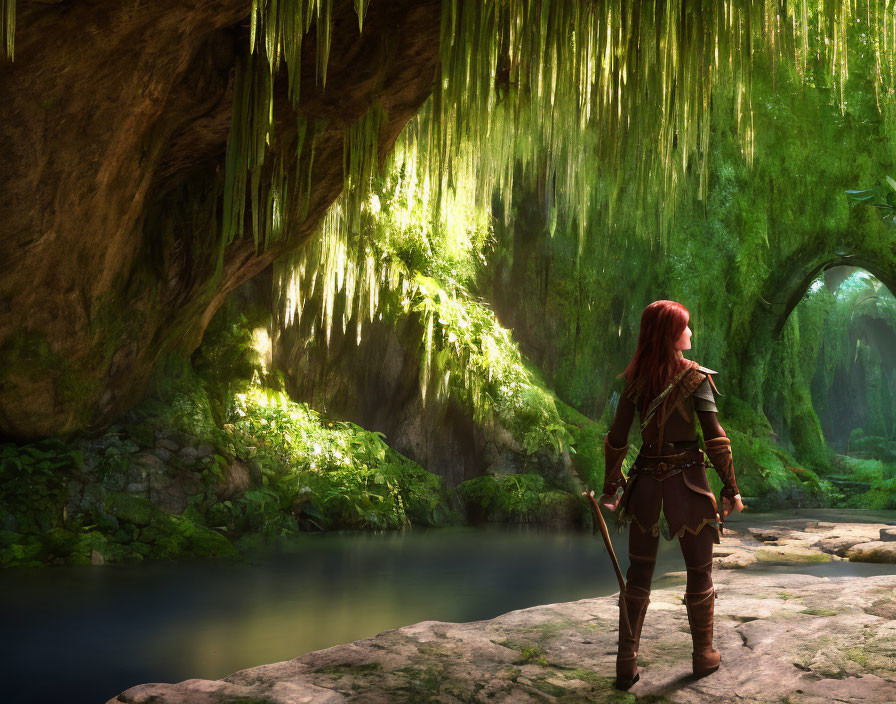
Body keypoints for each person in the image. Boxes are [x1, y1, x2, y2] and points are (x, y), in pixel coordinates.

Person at [599, 300, 744, 689]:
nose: (691, 333)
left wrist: (611, 488)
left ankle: (625, 663)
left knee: (638, 574)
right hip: (689, 485)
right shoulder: (696, 379)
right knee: (699, 570)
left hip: (645, 484)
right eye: (685, 327)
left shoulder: (634, 381)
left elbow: (617, 439)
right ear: (669, 334)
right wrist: (731, 489)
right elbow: (716, 438)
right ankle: (702, 655)